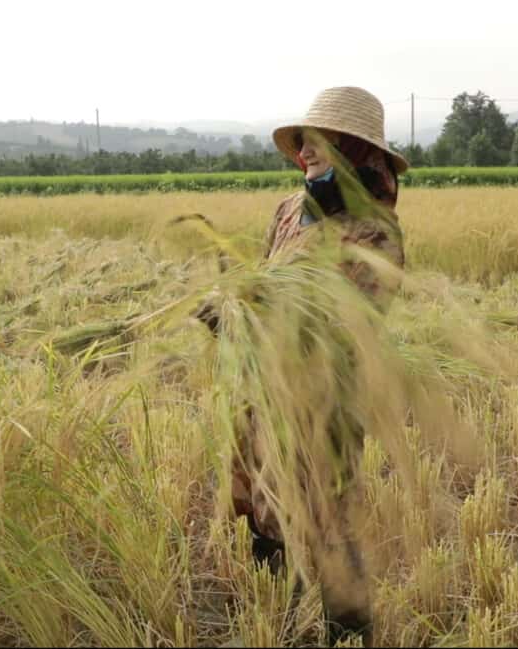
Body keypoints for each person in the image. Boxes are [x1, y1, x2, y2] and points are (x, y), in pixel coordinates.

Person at [200, 86, 408, 645]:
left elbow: (350, 319)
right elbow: (265, 278)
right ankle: (280, 622)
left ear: (352, 149)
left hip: (326, 396)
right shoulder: (290, 209)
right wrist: (233, 306)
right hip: (267, 382)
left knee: (329, 517)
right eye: (304, 142)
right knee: (265, 502)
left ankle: (346, 633)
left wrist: (260, 310)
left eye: (320, 141)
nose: (306, 151)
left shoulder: (374, 231)